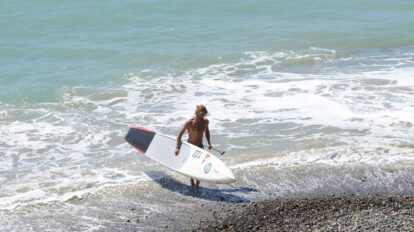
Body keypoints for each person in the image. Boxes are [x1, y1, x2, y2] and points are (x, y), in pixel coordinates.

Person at [175, 105, 212, 195]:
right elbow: (179, 135)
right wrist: (177, 147)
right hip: (190, 147)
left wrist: (209, 143)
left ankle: (197, 185)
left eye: (204, 114)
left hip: (200, 147)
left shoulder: (206, 122)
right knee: (191, 166)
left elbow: (207, 132)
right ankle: (192, 181)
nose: (202, 116)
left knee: (200, 166)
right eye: (200, 113)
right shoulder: (189, 122)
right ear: (196, 113)